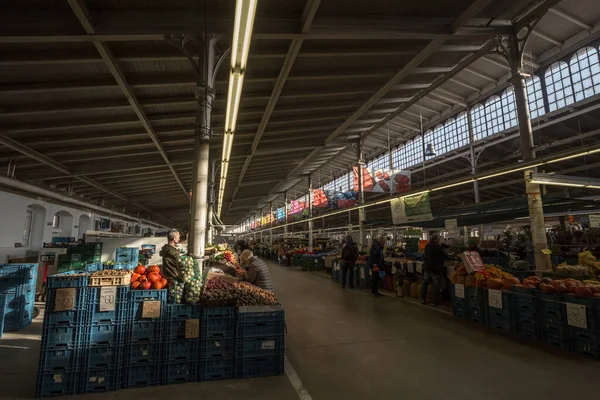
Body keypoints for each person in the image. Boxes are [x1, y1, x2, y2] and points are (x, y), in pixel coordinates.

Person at [421, 233, 452, 305]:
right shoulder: (438, 247)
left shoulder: (427, 245)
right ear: (436, 239)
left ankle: (423, 299)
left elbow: (425, 256)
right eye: (439, 239)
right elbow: (444, 255)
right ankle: (434, 302)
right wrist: (453, 258)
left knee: (425, 283)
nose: (439, 240)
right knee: (436, 284)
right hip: (434, 268)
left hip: (427, 267)